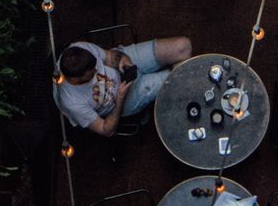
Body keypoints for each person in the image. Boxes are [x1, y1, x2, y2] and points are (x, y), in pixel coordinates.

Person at [55, 34, 192, 135]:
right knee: (183, 75)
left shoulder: (78, 49)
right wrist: (120, 99)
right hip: (121, 99)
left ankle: (171, 91)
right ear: (76, 79)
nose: (97, 70)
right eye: (91, 73)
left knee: (183, 46)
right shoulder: (72, 102)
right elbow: (105, 129)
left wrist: (123, 61)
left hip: (127, 66)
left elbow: (109, 57)